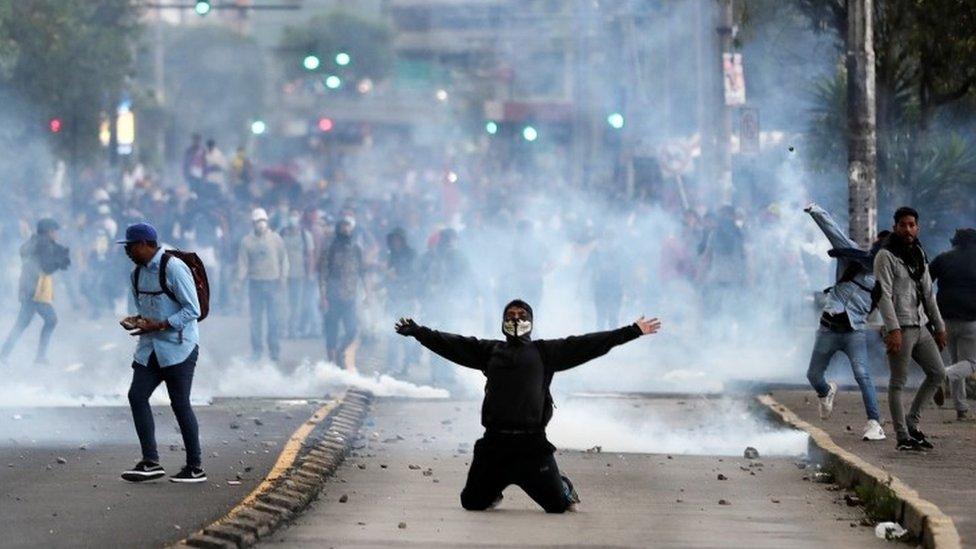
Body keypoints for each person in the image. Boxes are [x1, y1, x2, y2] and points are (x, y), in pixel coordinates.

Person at [394, 300, 661, 513]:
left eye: (521, 315)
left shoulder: (546, 353)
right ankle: (493, 488)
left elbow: (589, 344)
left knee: (559, 507)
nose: (515, 319)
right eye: (510, 315)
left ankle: (562, 484)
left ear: (531, 322)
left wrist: (633, 331)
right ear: (502, 322)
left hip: (532, 447)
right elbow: (453, 344)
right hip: (494, 445)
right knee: (471, 504)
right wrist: (419, 332)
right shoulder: (490, 351)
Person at [117, 222, 205, 483]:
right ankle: (150, 461)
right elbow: (145, 311)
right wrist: (137, 320)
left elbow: (193, 310)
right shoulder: (136, 274)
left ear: (145, 244)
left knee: (180, 404)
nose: (128, 252)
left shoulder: (173, 268)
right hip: (150, 348)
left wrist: (162, 324)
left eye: (131, 247)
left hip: (179, 347)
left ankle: (195, 467)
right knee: (137, 396)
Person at [803, 203, 886, 441]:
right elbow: (834, 232)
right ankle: (826, 391)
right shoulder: (852, 255)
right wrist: (816, 211)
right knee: (813, 376)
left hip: (854, 332)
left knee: (862, 375)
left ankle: (874, 423)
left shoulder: (884, 279)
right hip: (828, 328)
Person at [874, 207, 948, 451]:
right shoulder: (886, 255)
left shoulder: (918, 252)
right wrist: (892, 328)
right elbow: (882, 295)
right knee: (898, 383)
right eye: (903, 225)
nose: (908, 229)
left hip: (920, 325)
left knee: (937, 373)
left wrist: (939, 326)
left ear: (917, 227)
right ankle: (902, 436)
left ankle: (912, 424)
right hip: (900, 328)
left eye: (912, 225)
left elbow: (928, 293)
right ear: (895, 226)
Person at [0, 218, 70, 365]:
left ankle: (6, 354)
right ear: (49, 231)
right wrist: (60, 261)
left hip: (30, 290)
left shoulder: (37, 242)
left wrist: (61, 255)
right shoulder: (43, 244)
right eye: (55, 231)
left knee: (22, 324)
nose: (57, 234)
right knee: (50, 320)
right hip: (34, 292)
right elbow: (46, 266)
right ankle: (39, 357)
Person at [929, 228, 976, 420]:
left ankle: (961, 408)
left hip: (944, 319)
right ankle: (943, 375)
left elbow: (925, 283)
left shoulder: (942, 258)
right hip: (971, 319)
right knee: (971, 364)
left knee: (958, 363)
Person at [238, 208, 289, 362]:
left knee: (274, 319)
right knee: (256, 320)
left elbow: (284, 259)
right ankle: (257, 351)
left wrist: (283, 277)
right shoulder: (246, 241)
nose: (261, 224)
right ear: (253, 224)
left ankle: (274, 351)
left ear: (266, 222)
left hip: (273, 283)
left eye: (263, 221)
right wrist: (239, 281)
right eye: (257, 222)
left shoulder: (276, 239)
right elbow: (243, 264)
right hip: (256, 284)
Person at [318, 218, 366, 367]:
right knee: (331, 331)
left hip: (350, 297)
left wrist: (368, 294)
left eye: (348, 227)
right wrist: (323, 296)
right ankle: (331, 363)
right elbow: (323, 274)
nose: (346, 230)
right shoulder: (330, 248)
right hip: (333, 296)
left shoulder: (356, 249)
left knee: (352, 330)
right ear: (338, 229)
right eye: (343, 226)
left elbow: (362, 273)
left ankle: (340, 353)